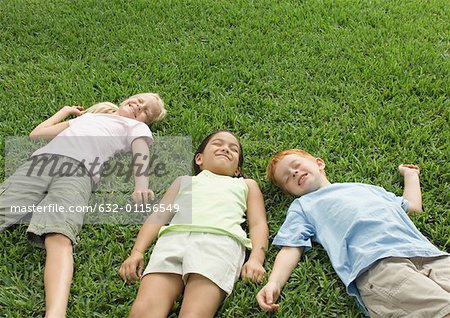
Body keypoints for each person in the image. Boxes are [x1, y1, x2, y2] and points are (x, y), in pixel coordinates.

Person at [0, 93, 166, 318]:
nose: (139, 106)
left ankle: (56, 314)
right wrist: (66, 110)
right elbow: (36, 134)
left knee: (59, 235)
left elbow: (141, 154)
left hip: (78, 173)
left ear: (146, 121)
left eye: (146, 109)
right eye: (138, 100)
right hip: (40, 163)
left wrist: (141, 186)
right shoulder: (88, 117)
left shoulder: (134, 127)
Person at [257, 149, 450, 317]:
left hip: (430, 255)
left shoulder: (366, 188)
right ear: (291, 192)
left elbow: (413, 207)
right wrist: (274, 282)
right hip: (377, 266)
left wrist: (410, 175)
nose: (294, 172)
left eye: (296, 165)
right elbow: (292, 246)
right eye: (287, 177)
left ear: (319, 163)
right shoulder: (303, 206)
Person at [119, 130, 269, 318]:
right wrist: (137, 252)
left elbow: (258, 223)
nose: (225, 149)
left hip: (218, 243)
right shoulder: (184, 182)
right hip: (173, 241)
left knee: (195, 314)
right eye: (218, 144)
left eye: (233, 149)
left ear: (237, 170)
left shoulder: (246, 185)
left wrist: (256, 258)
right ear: (199, 159)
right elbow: (158, 216)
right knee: (143, 311)